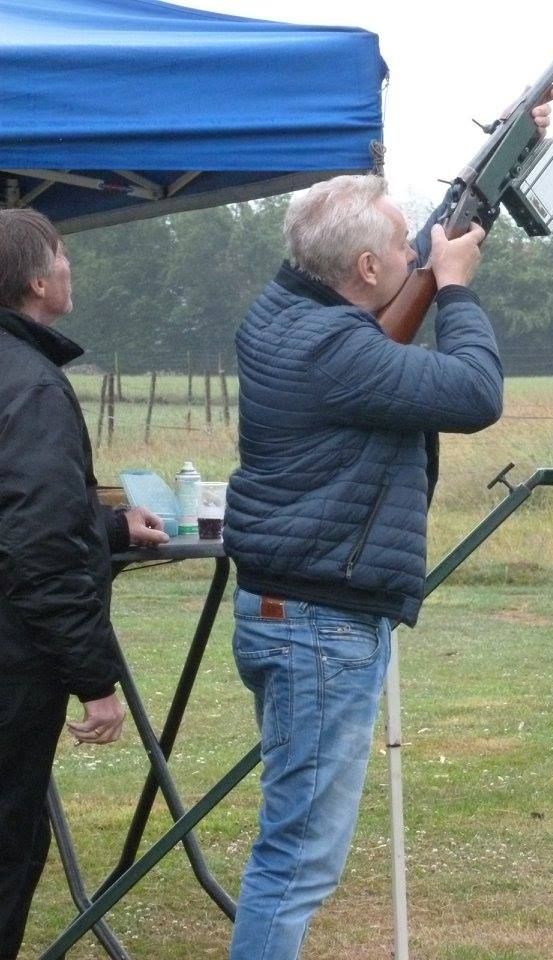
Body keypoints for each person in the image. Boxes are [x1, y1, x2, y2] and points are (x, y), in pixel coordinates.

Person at [223, 100, 553, 959]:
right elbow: (474, 394)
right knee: (295, 862)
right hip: (320, 625)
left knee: (291, 849)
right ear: (367, 266)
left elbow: (364, 308)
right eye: (402, 247)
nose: (415, 251)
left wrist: (496, 170)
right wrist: (451, 285)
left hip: (286, 612)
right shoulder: (336, 351)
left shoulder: (276, 313)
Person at [0, 208, 169, 960]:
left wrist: (105, 526)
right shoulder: (32, 388)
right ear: (37, 282)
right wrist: (95, 678)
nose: (72, 269)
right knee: (8, 845)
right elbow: (39, 551)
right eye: (64, 259)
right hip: (10, 665)